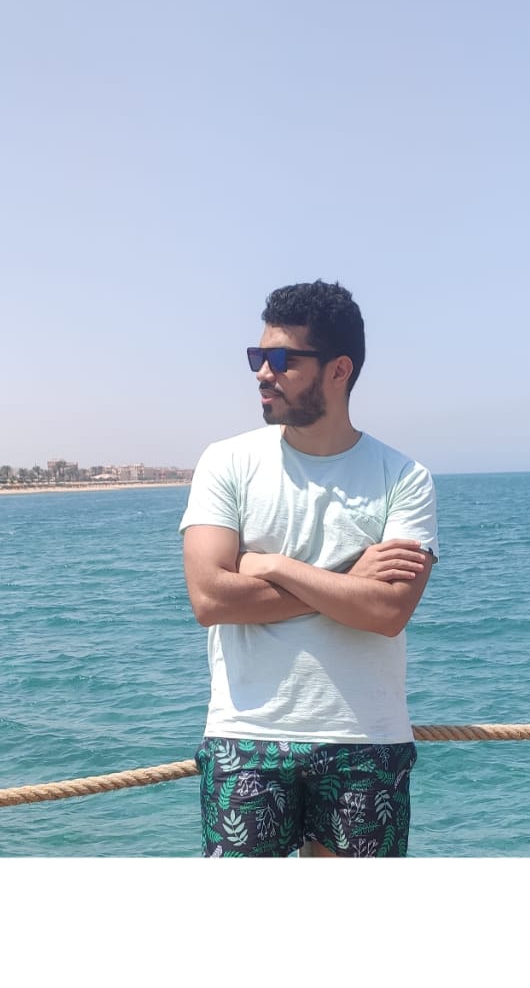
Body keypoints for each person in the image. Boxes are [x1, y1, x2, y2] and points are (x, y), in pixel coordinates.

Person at [180, 280, 438, 857]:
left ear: (338, 369)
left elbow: (388, 613)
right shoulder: (226, 462)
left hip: (365, 737)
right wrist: (347, 584)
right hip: (246, 736)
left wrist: (272, 566)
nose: (262, 373)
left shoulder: (404, 478)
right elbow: (211, 598)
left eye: (281, 360)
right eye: (257, 356)